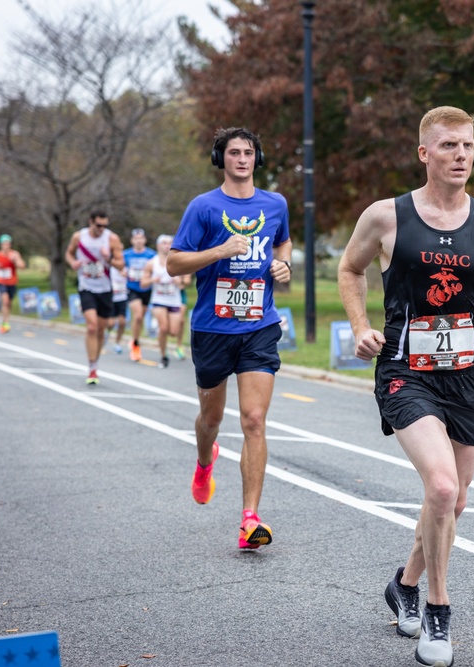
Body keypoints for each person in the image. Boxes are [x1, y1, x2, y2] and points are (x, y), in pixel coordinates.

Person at [337, 106, 474, 667]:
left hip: (465, 374)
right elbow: (350, 269)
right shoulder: (387, 216)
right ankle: (437, 609)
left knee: (453, 500)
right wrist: (361, 327)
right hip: (406, 370)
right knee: (442, 488)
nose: (462, 156)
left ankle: (404, 584)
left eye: (469, 147)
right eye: (450, 146)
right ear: (424, 153)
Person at [167, 127, 292, 550]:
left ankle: (249, 520)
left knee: (254, 420)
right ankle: (205, 462)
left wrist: (283, 265)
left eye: (249, 152)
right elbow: (174, 264)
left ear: (258, 158)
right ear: (221, 159)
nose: (242, 159)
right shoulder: (203, 207)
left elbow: (283, 242)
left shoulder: (275, 203)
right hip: (212, 328)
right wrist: (219, 251)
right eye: (234, 152)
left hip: (259, 324)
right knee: (212, 420)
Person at [65, 212, 125, 385]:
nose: (101, 229)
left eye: (104, 226)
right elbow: (69, 253)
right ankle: (92, 369)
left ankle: (95, 362)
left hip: (105, 288)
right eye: (98, 225)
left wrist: (108, 258)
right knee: (91, 326)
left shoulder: (112, 239)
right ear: (90, 222)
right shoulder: (79, 236)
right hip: (86, 287)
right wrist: (72, 262)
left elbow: (121, 264)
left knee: (100, 329)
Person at [140, 234, 189, 368]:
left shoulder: (179, 261)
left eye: (169, 243)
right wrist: (152, 280)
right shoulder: (151, 263)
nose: (167, 245)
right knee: (163, 328)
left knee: (173, 331)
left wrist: (180, 281)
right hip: (158, 300)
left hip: (174, 300)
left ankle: (168, 341)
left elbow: (187, 281)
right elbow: (143, 283)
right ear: (158, 245)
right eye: (164, 243)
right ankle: (163, 355)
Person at [123, 228, 156, 362]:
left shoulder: (151, 255)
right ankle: (136, 344)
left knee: (140, 318)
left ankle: (134, 339)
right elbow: (119, 268)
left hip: (147, 289)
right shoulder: (126, 254)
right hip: (132, 288)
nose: (138, 241)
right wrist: (123, 272)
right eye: (136, 238)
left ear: (144, 240)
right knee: (137, 316)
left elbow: (157, 268)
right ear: (132, 240)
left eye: (140, 238)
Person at [0, 234, 25, 334]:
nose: (6, 246)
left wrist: (15, 262)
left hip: (12, 282)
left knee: (8, 303)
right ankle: (6, 322)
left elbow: (22, 266)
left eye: (8, 244)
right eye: (4, 244)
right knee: (5, 300)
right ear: (1, 245)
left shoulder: (14, 254)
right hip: (1, 281)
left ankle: (4, 318)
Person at [107, 264, 128, 354]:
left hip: (122, 298)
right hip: (111, 299)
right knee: (111, 323)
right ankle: (105, 333)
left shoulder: (126, 268)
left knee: (122, 322)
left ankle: (117, 343)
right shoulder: (109, 269)